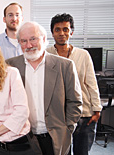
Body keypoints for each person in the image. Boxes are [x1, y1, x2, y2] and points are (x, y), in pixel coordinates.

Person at [6, 21, 83, 155]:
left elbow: (75, 102)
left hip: (54, 138)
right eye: (23, 41)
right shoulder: (10, 66)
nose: (29, 45)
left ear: (44, 39)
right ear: (19, 43)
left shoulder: (65, 66)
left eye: (33, 39)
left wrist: (67, 129)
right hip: (23, 138)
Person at [47, 13, 102, 155]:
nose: (61, 33)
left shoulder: (83, 55)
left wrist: (96, 110)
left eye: (65, 29)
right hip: (58, 115)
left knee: (82, 152)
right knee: (61, 152)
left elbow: (91, 83)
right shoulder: (46, 54)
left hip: (83, 113)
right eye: (57, 29)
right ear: (52, 33)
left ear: (71, 32)